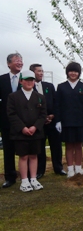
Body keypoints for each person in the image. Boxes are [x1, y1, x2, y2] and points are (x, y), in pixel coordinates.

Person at [7, 70, 47, 192]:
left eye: (32, 80)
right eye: (27, 80)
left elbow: (43, 114)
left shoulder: (40, 97)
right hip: (20, 133)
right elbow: (11, 114)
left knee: (34, 155)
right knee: (23, 156)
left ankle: (33, 179)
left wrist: (35, 127)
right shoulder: (13, 97)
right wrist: (22, 128)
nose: (30, 82)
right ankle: (24, 181)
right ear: (21, 81)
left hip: (36, 132)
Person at [29, 63, 66, 178]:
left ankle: (58, 168)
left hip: (52, 121)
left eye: (42, 71)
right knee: (39, 147)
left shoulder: (49, 86)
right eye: (38, 71)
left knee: (56, 146)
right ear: (32, 73)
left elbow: (56, 103)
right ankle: (40, 171)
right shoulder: (28, 87)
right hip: (37, 123)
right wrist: (41, 119)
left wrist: (52, 116)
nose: (41, 73)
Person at [55, 62, 83, 178]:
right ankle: (70, 169)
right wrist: (58, 120)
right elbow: (58, 105)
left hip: (80, 121)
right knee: (69, 146)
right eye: (71, 71)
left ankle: (79, 167)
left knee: (79, 145)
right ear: (67, 72)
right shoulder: (61, 87)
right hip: (66, 121)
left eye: (76, 71)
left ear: (79, 73)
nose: (73, 73)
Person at [0, 53, 23, 188]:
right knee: (8, 149)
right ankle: (10, 177)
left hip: (24, 121)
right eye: (16, 61)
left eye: (21, 61)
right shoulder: (2, 79)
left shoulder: (26, 78)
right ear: (9, 64)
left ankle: (27, 176)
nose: (19, 63)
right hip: (6, 121)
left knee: (24, 149)